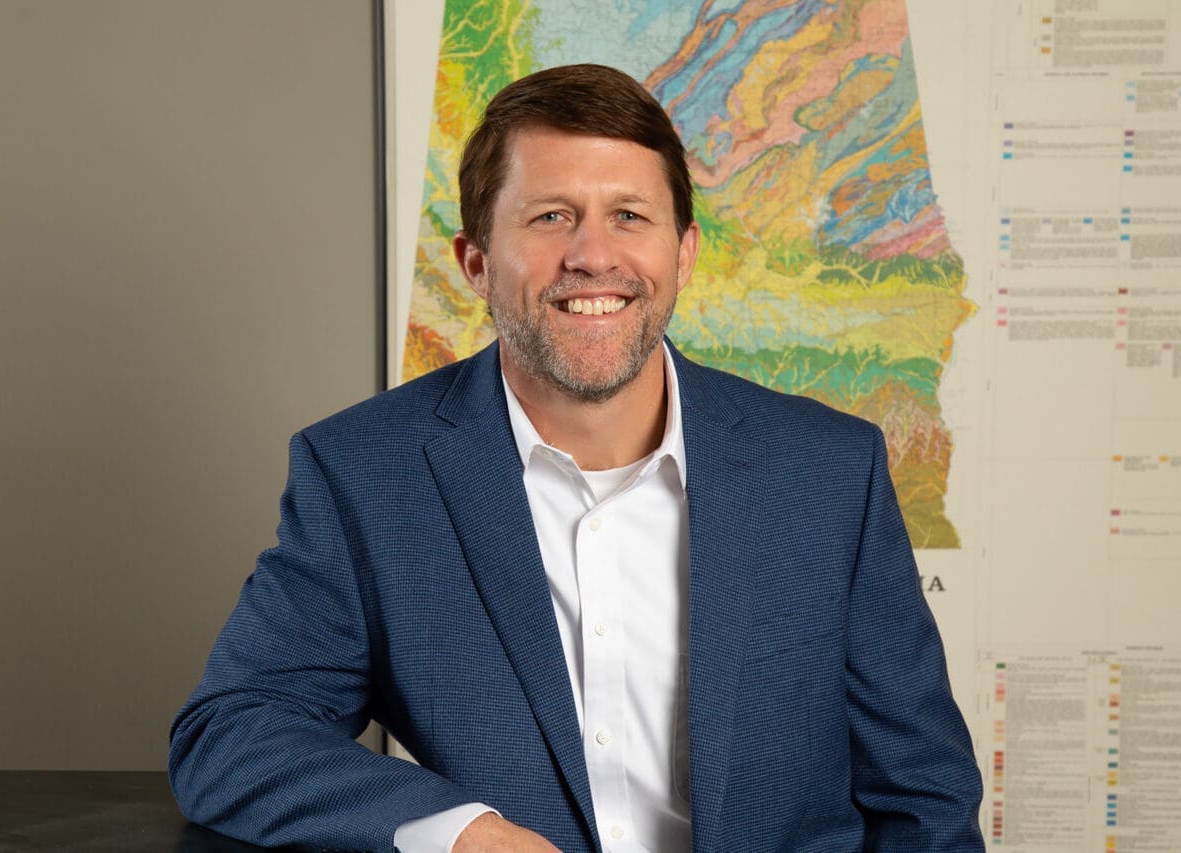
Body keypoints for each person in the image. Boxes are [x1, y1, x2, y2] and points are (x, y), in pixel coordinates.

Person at [169, 63, 984, 852]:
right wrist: (460, 833)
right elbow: (231, 733)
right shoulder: (363, 475)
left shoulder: (829, 474)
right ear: (476, 263)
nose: (594, 255)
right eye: (551, 216)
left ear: (684, 253)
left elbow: (924, 799)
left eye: (629, 215)